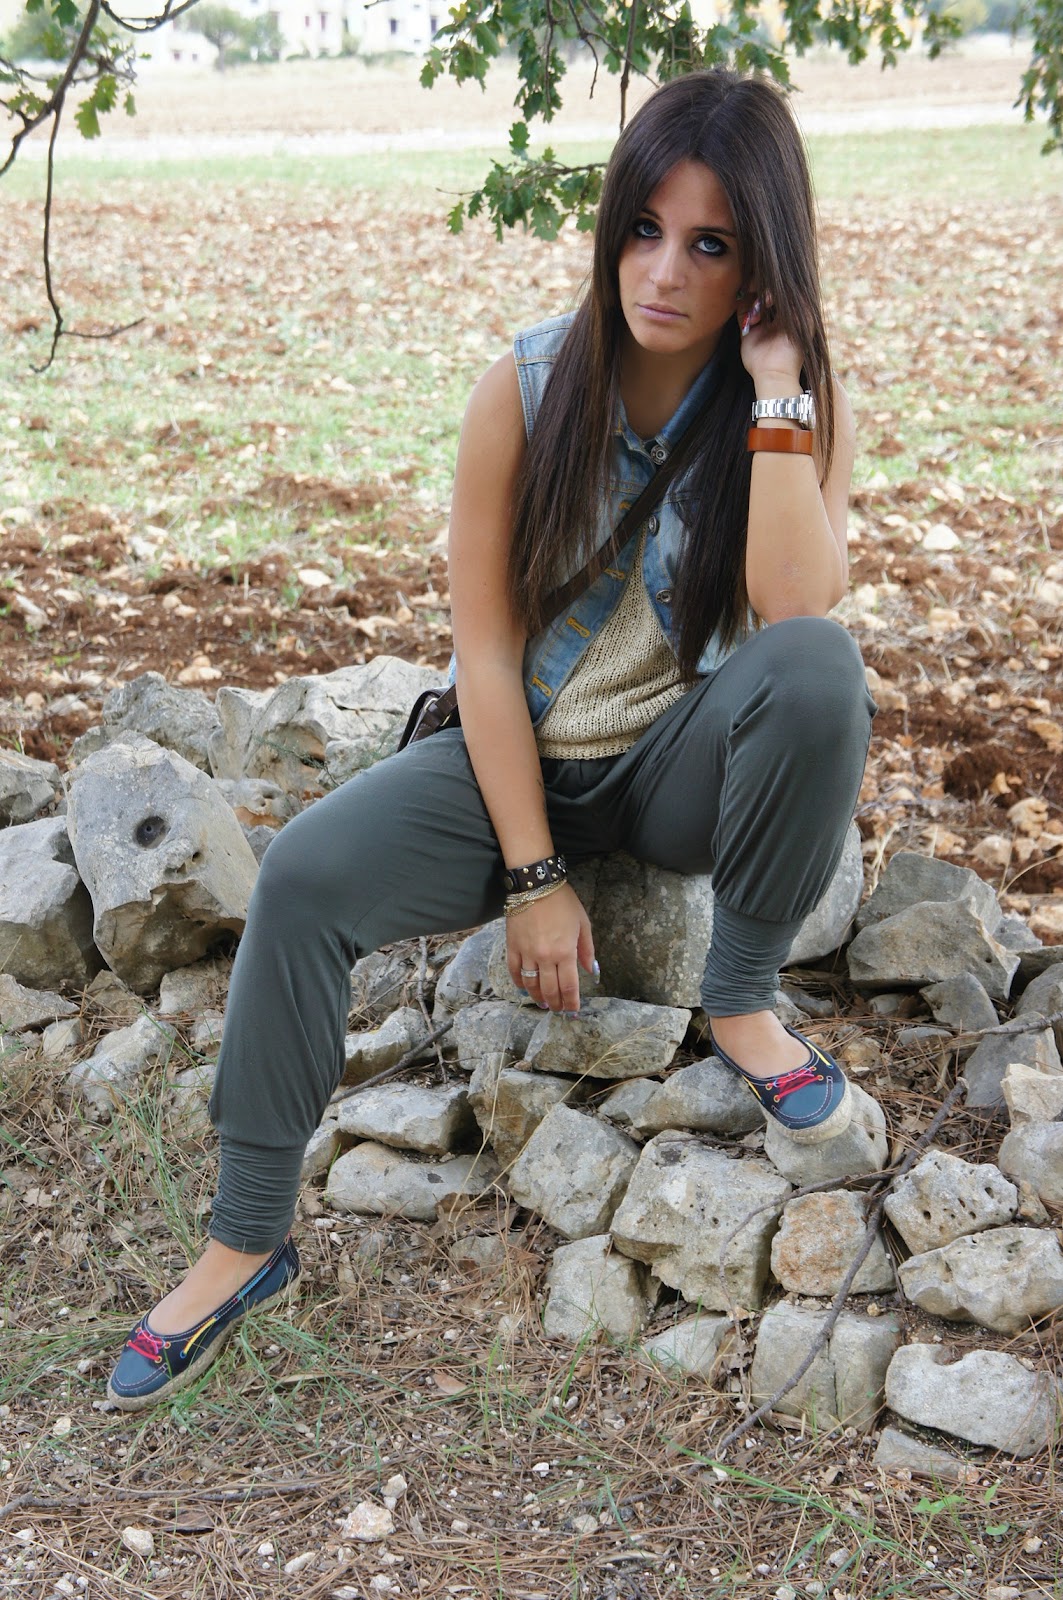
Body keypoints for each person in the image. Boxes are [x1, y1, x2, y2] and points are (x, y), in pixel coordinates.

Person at [107, 67, 875, 1410]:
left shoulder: (789, 404)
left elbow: (797, 609)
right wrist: (532, 872)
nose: (665, 272)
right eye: (646, 228)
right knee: (303, 877)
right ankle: (245, 1240)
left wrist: (776, 389)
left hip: (676, 770)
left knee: (818, 670)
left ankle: (742, 1000)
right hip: (510, 755)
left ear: (762, 264)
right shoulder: (521, 391)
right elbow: (489, 653)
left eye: (711, 245)